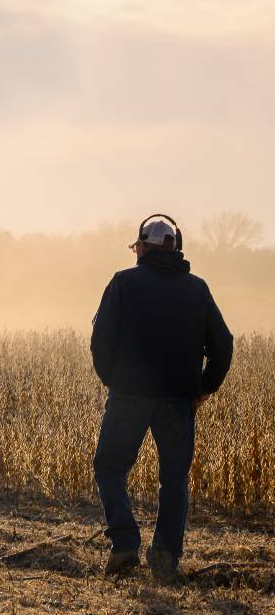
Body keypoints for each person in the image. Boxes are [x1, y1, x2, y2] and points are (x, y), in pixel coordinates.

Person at [90, 215, 233, 581]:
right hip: (178, 400)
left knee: (109, 467)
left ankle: (125, 545)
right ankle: (166, 558)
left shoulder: (123, 282)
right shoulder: (197, 289)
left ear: (144, 247)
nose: (135, 251)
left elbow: (100, 340)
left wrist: (114, 380)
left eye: (137, 246)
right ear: (175, 248)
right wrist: (203, 388)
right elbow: (223, 345)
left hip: (129, 394)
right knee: (174, 479)